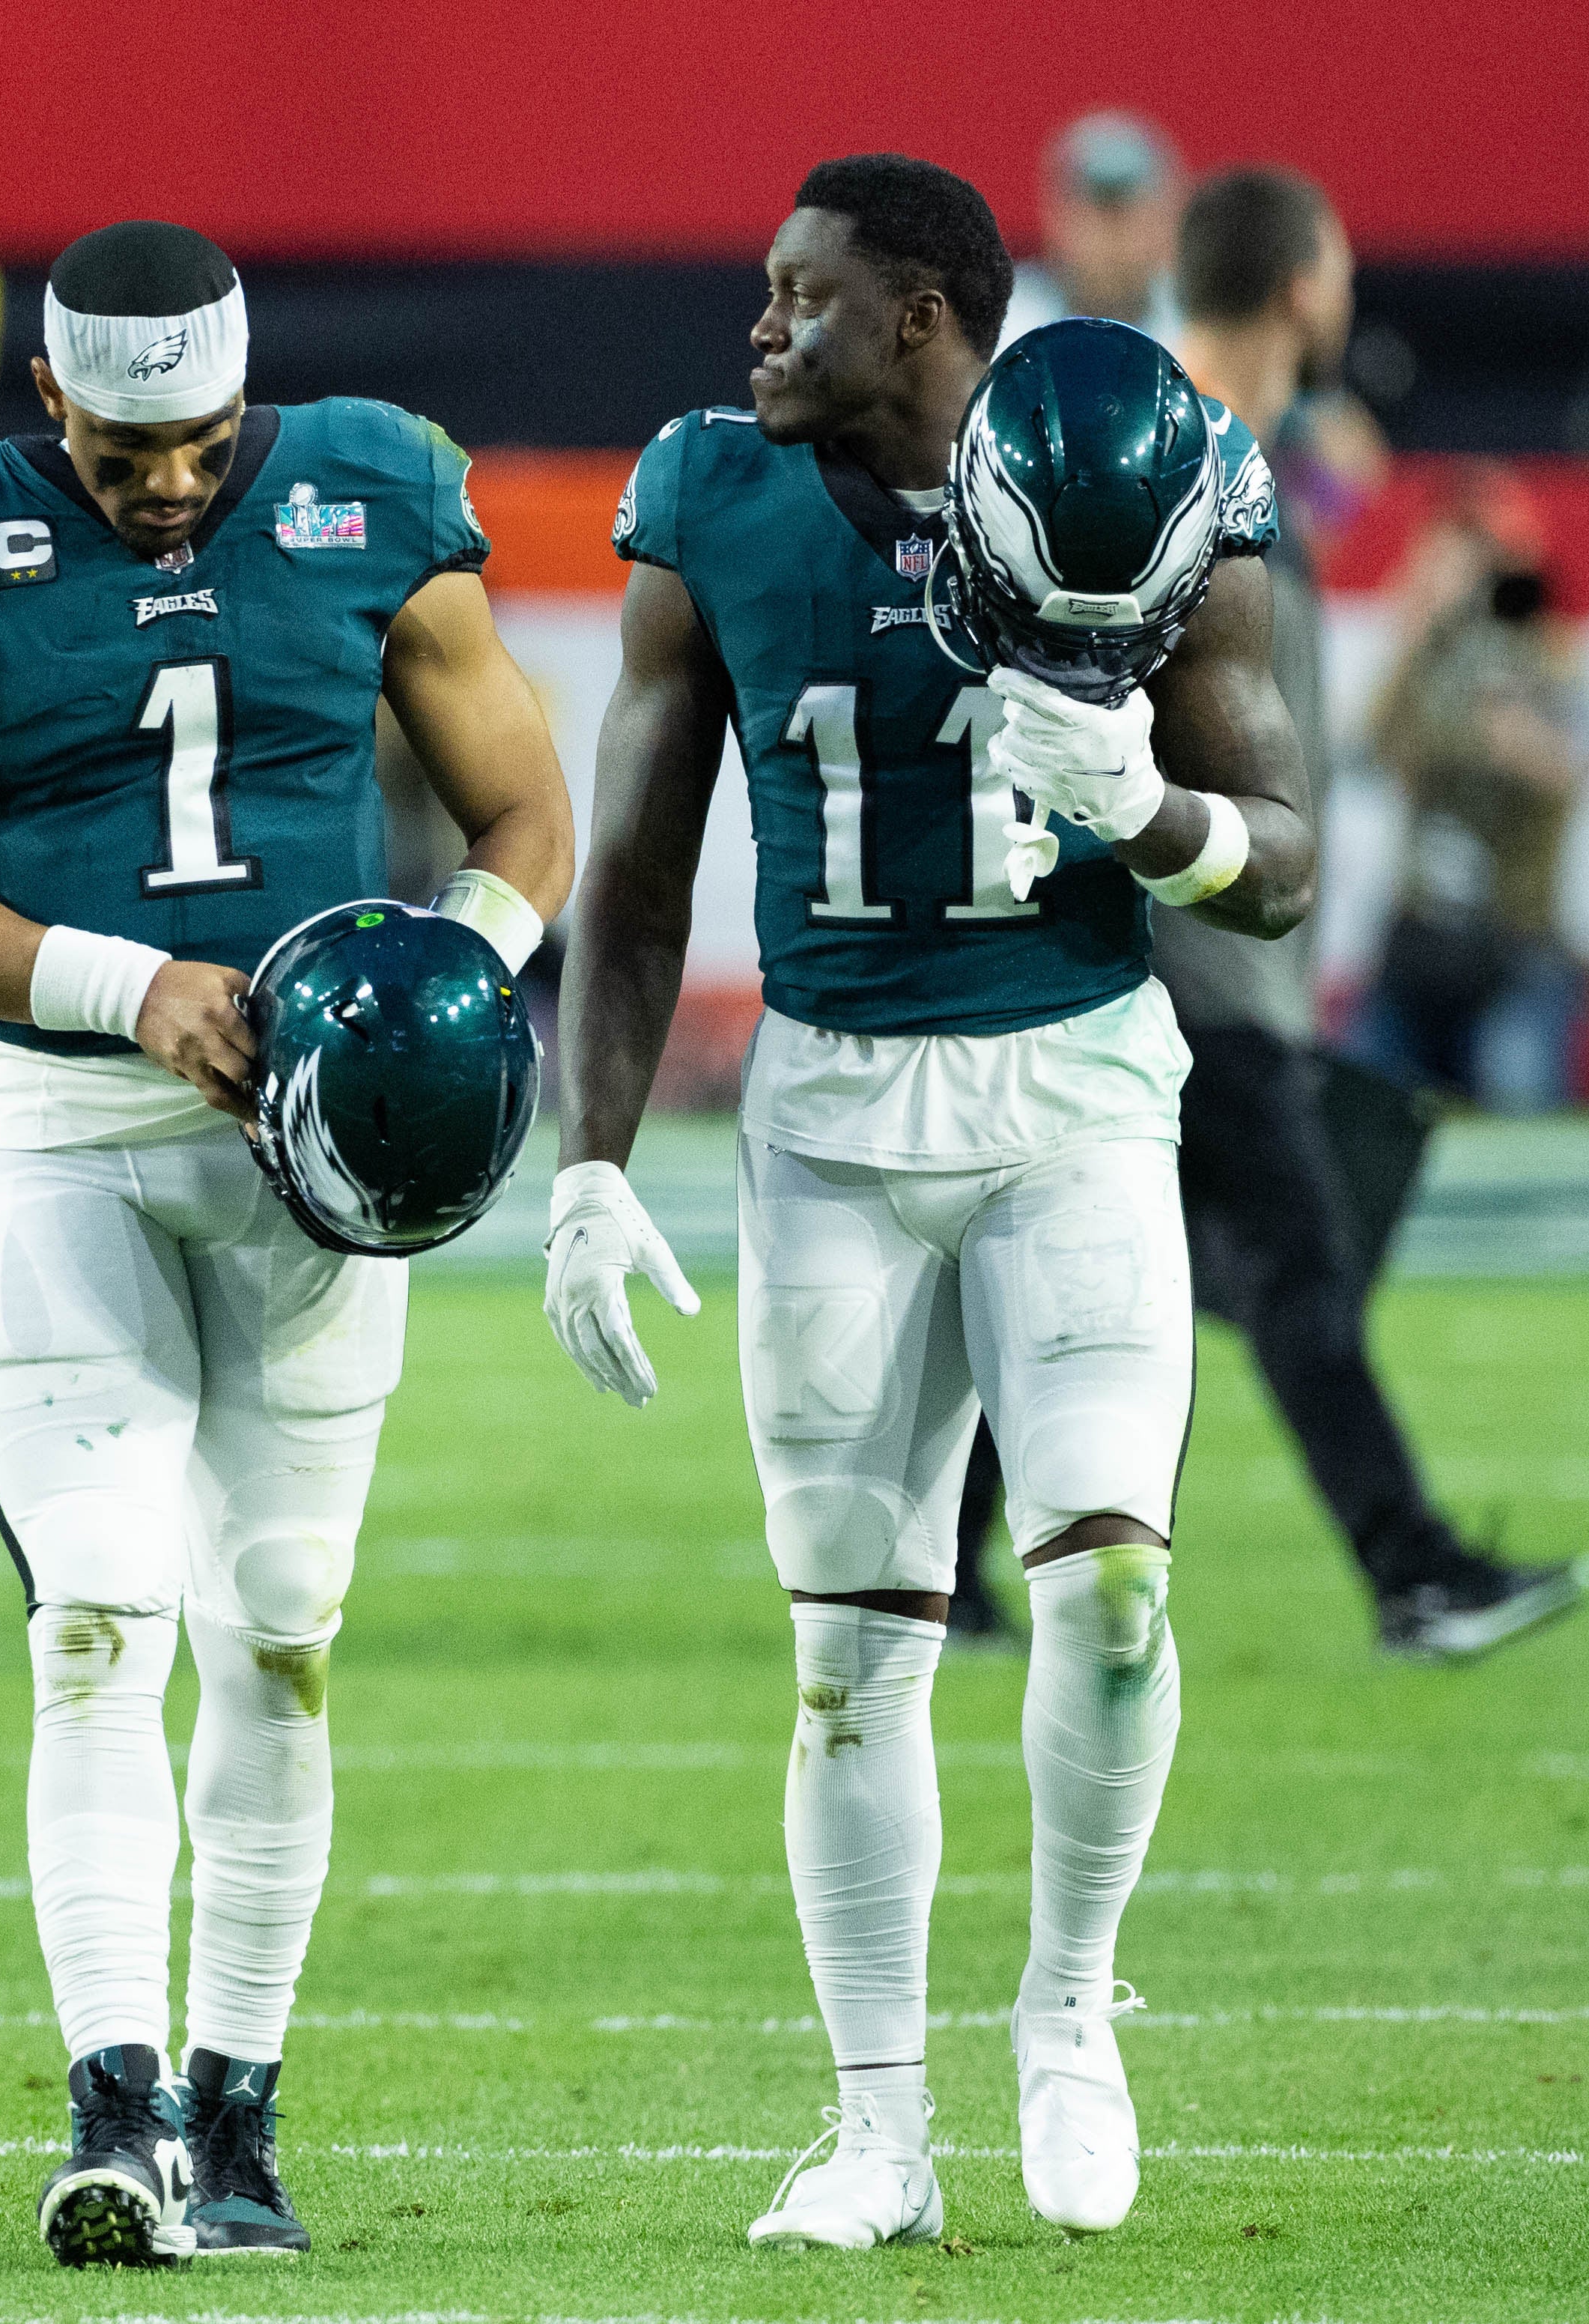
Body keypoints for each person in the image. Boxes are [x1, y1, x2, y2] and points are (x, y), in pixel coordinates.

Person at [548, 154, 1313, 2251]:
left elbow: (1280, 857)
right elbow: (635, 870)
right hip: (825, 1118)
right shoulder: (708, 497)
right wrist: (589, 1160)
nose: (758, 326)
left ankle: (1068, 2001)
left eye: (799, 293)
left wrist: (1150, 815)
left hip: (1074, 1091)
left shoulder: (1133, 465)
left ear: (918, 316)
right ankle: (875, 2128)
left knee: (1113, 1591)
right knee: (848, 1655)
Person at [0, 219, 571, 2266]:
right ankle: (114, 2102)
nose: (165, 484)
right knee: (95, 1612)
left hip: (309, 1156)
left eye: (202, 446)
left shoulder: (374, 483)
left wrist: (441, 982)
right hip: (66, 1128)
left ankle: (238, 2111)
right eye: (123, 450)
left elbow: (525, 818)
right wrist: (124, 984)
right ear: (46, 396)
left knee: (283, 1627)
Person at [954, 168, 1589, 1663]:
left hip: (1191, 937)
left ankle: (933, 1563)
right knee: (1296, 1265)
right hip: (1183, 951)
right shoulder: (1173, 450)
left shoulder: (1216, 446)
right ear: (1304, 285)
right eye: (1340, 271)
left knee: (1090, 1287)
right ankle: (1411, 1567)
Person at [1347, 479, 1589, 1113]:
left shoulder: (1543, 655)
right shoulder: (1425, 662)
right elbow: (1371, 752)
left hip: (1514, 943)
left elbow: (1563, 765)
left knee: (1518, 1117)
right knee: (1361, 1117)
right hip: (1419, 939)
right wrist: (1412, 639)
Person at [999, 112, 1182, 353]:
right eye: (1096, 213)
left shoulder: (1197, 330)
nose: (1111, 239)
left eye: (1126, 214)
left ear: (1167, 220)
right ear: (1055, 217)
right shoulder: (1005, 329)